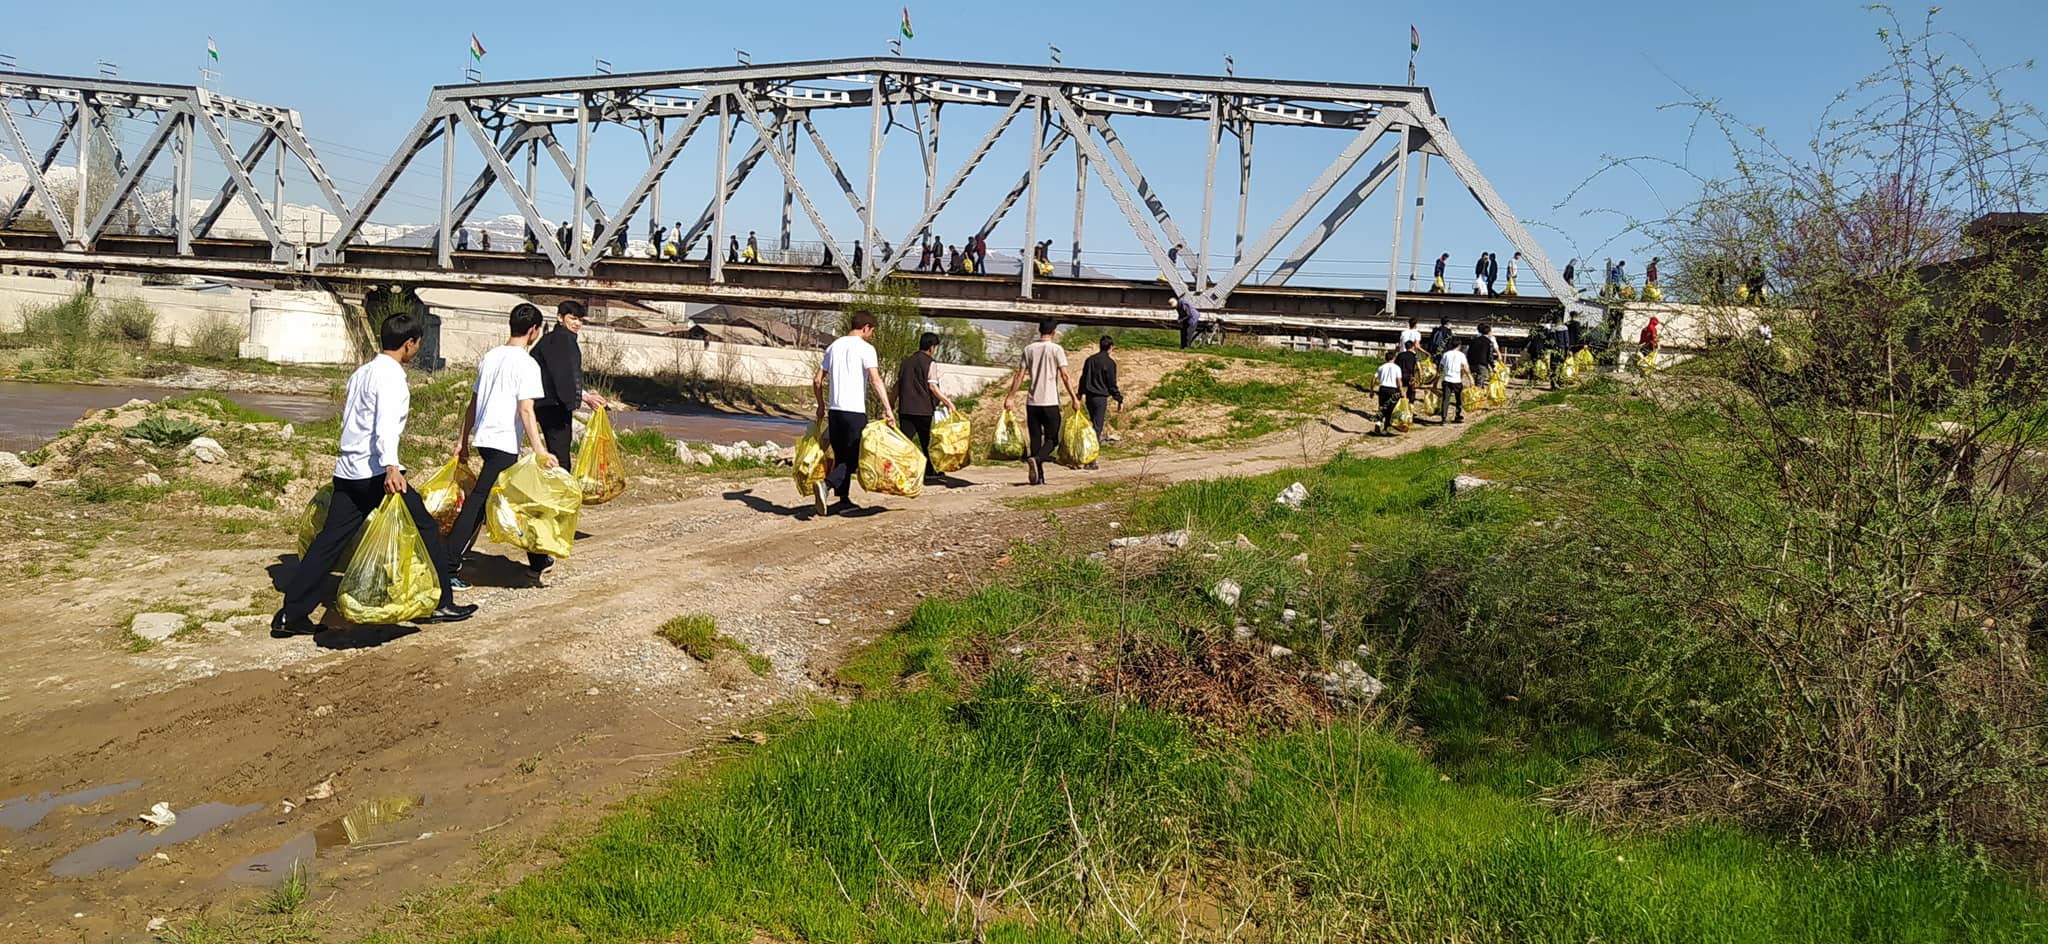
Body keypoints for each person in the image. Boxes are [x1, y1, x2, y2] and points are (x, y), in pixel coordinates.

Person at [272, 314, 475, 636]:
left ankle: (291, 614)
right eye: (417, 345)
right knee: (426, 529)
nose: (416, 350)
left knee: (328, 542)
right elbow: (385, 426)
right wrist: (392, 467)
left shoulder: (362, 373)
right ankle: (441, 603)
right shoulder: (392, 377)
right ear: (409, 343)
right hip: (378, 472)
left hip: (349, 471)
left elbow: (352, 421)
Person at [442, 303, 561, 588]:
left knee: (515, 497)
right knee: (481, 501)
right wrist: (540, 450)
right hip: (504, 442)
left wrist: (463, 440)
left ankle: (538, 558)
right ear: (533, 331)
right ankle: (447, 566)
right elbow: (526, 410)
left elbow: (473, 403)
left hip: (484, 439)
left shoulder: (491, 356)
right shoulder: (528, 364)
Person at [811, 312, 895, 516]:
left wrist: (821, 405)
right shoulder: (866, 349)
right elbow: (876, 380)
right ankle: (826, 484)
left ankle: (843, 499)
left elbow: (817, 380)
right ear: (866, 327)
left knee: (841, 455)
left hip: (835, 412)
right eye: (871, 331)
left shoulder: (834, 346)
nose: (871, 335)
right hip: (854, 411)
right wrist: (888, 409)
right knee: (856, 457)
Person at [531, 300, 609, 471]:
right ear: (560, 317)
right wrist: (580, 399)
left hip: (539, 402)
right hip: (554, 404)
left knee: (554, 452)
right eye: (573, 318)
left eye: (580, 320)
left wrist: (585, 395)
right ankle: (560, 494)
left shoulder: (550, 339)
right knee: (560, 457)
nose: (577, 324)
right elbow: (564, 375)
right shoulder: (564, 339)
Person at [1002, 319, 1079, 485]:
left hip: (1032, 402)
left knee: (1035, 439)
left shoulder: (1028, 349)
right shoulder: (1056, 349)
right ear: (1054, 332)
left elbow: (1019, 375)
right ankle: (1037, 460)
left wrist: (1011, 397)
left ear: (1040, 331)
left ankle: (1038, 478)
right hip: (1050, 401)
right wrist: (1074, 398)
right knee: (1053, 439)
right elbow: (1065, 376)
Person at [894, 331, 957, 485]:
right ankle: (930, 470)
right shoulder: (930, 363)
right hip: (923, 409)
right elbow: (932, 386)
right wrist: (947, 401)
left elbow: (896, 386)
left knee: (905, 441)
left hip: (905, 409)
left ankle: (900, 470)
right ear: (931, 347)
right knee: (927, 442)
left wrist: (889, 405)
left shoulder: (906, 362)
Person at [1078, 335, 1124, 467]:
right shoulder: (1110, 363)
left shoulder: (1090, 360)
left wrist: (1080, 393)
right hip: (1100, 398)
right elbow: (1112, 384)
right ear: (1111, 347)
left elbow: (1083, 378)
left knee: (1092, 426)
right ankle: (1091, 460)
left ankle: (1086, 454)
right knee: (1097, 428)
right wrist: (1119, 399)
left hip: (1089, 397)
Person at [1437, 339, 1469, 424]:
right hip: (1456, 380)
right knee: (1458, 399)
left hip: (1446, 379)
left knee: (1445, 399)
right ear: (1459, 345)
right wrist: (1470, 378)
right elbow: (1465, 368)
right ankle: (1458, 415)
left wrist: (1436, 380)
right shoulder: (1461, 355)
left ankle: (1443, 418)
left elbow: (1441, 367)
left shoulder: (1446, 354)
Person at [1373, 349, 1404, 436]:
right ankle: (1385, 429)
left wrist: (1372, 390)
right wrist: (1401, 390)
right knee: (1390, 409)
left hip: (1382, 388)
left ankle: (1378, 422)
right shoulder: (1397, 368)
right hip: (1392, 390)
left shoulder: (1381, 367)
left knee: (1382, 407)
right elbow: (1399, 381)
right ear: (1394, 358)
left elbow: (1374, 378)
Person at [1471, 322, 1500, 388]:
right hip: (1482, 365)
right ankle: (1476, 396)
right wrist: (1493, 366)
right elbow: (1489, 356)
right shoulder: (1489, 342)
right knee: (1479, 383)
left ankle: (1476, 394)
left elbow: (1469, 352)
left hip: (1472, 364)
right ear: (1489, 332)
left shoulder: (1474, 340)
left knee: (1474, 381)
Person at [1395, 338, 1421, 404]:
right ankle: (1410, 407)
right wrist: (1420, 378)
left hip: (1400, 376)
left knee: (1399, 391)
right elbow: (1419, 368)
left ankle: (1399, 405)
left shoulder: (1400, 355)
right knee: (1411, 392)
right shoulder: (1414, 356)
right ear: (1413, 347)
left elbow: (1395, 365)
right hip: (1410, 376)